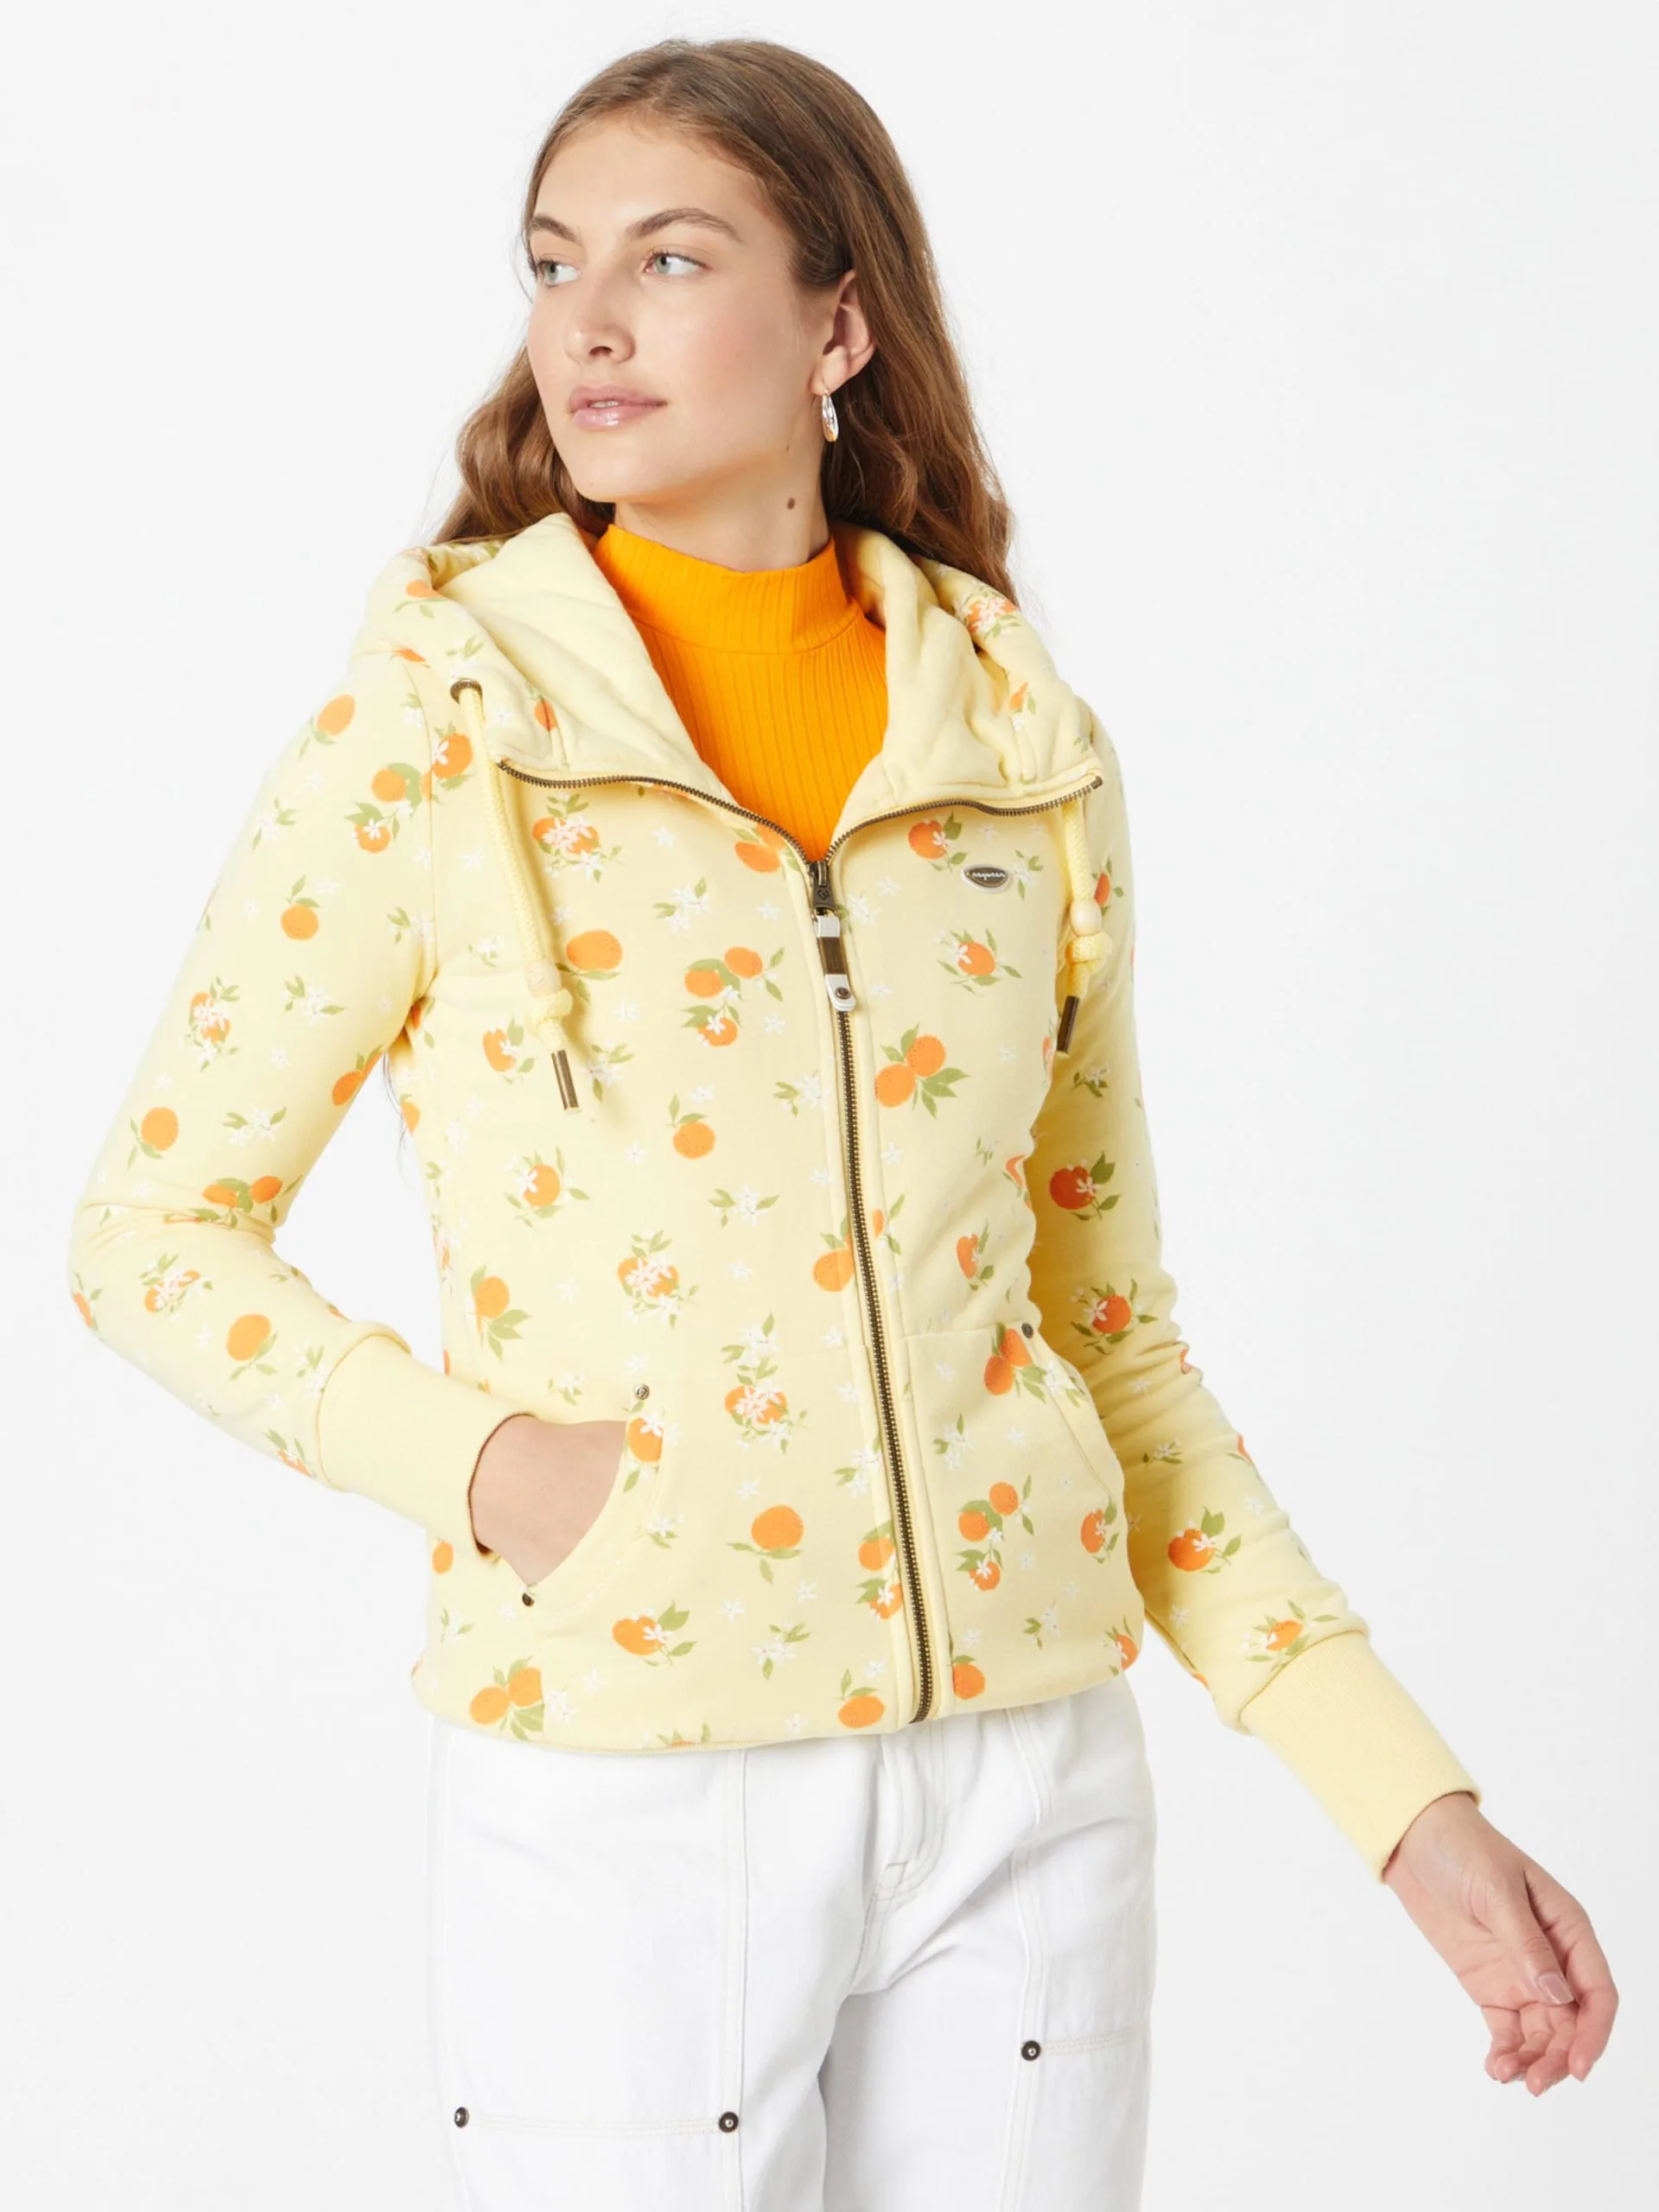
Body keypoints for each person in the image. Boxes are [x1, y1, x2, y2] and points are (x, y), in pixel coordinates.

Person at [64, 34, 1615, 2211]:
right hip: (635, 1777)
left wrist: (1405, 1800)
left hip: (1030, 1784)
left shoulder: (1021, 747)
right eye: (554, 263)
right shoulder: (436, 730)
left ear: (839, 323)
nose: (591, 323)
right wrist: (496, 1473)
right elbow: (150, 1232)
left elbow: (1111, 1338)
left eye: (673, 258)